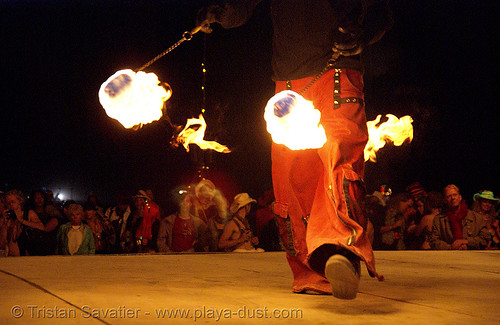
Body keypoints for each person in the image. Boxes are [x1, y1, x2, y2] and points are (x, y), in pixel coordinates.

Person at [196, 0, 392, 299]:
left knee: (339, 160)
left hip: (337, 72)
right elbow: (242, 7)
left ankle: (341, 252)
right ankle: (313, 272)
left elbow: (383, 10)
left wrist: (363, 34)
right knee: (292, 179)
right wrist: (220, 12)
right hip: (287, 83)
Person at [429, 184, 489, 250]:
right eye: (449, 196)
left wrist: (467, 242)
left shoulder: (476, 218)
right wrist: (451, 247)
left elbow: (485, 238)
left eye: (455, 195)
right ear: (445, 200)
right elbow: (433, 241)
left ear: (460, 197)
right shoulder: (439, 220)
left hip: (472, 257)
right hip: (448, 257)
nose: (453, 198)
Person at [4, 190, 45, 256]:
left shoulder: (29, 214)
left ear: (19, 201)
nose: (11, 205)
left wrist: (21, 220)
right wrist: (4, 222)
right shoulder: (8, 218)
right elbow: (3, 242)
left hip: (25, 257)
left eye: (13, 202)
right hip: (10, 257)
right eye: (8, 203)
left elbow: (42, 227)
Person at [193, 179, 229, 252]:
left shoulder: (215, 207)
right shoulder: (194, 207)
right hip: (200, 244)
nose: (207, 192)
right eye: (205, 190)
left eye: (210, 190)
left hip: (215, 245)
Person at [28, 189, 62, 255]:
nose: (39, 200)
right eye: (36, 198)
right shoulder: (29, 214)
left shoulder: (51, 214)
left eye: (41, 197)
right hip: (33, 248)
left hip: (49, 249)